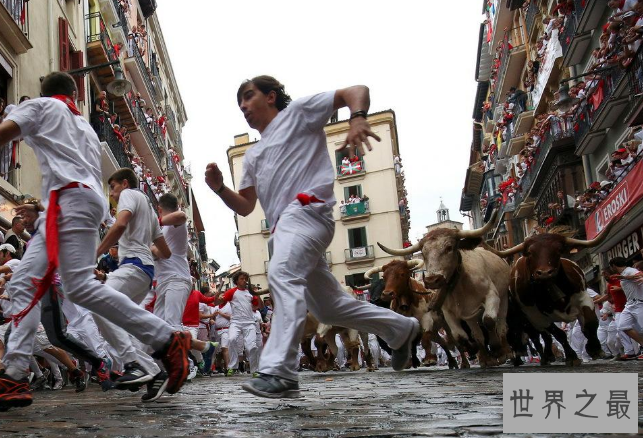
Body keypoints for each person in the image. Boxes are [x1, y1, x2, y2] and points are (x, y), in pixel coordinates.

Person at [205, 76, 419, 398]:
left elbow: (356, 92)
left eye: (249, 97)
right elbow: (247, 207)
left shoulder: (300, 112)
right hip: (283, 229)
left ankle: (280, 370)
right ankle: (402, 329)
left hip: (308, 211)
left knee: (282, 273)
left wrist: (357, 119)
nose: (244, 106)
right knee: (329, 310)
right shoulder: (251, 157)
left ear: (271, 96)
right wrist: (221, 189)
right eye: (240, 102)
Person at [0, 72, 191, 410]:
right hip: (78, 204)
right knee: (32, 285)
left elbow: (7, 132)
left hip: (68, 205)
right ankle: (13, 375)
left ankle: (165, 339)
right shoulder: (82, 126)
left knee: (77, 289)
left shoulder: (42, 108)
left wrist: (17, 112)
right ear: (74, 94)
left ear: (44, 92)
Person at [217, 271, 260, 377]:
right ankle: (232, 367)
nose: (244, 280)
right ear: (236, 281)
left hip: (249, 323)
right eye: (242, 279)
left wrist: (257, 295)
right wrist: (220, 298)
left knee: (252, 347)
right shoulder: (232, 291)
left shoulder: (250, 293)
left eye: (246, 279)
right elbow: (217, 302)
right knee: (231, 339)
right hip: (235, 322)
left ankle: (254, 370)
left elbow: (257, 306)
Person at [609, 257, 643, 359]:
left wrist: (625, 278)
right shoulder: (623, 274)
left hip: (639, 303)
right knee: (622, 326)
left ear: (614, 266)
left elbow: (640, 274)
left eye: (611, 267)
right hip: (629, 305)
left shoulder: (629, 271)